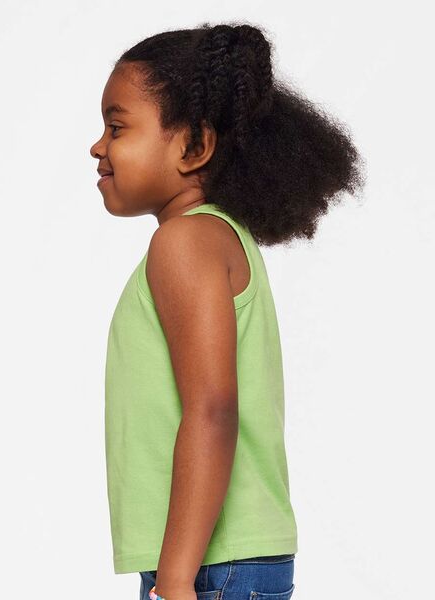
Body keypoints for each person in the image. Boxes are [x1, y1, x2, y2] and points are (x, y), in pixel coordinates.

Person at [90, 21, 365, 600]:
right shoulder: (215, 237)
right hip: (220, 564)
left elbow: (213, 410)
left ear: (194, 146)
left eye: (117, 127)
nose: (98, 146)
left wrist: (175, 577)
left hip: (209, 568)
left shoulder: (185, 243)